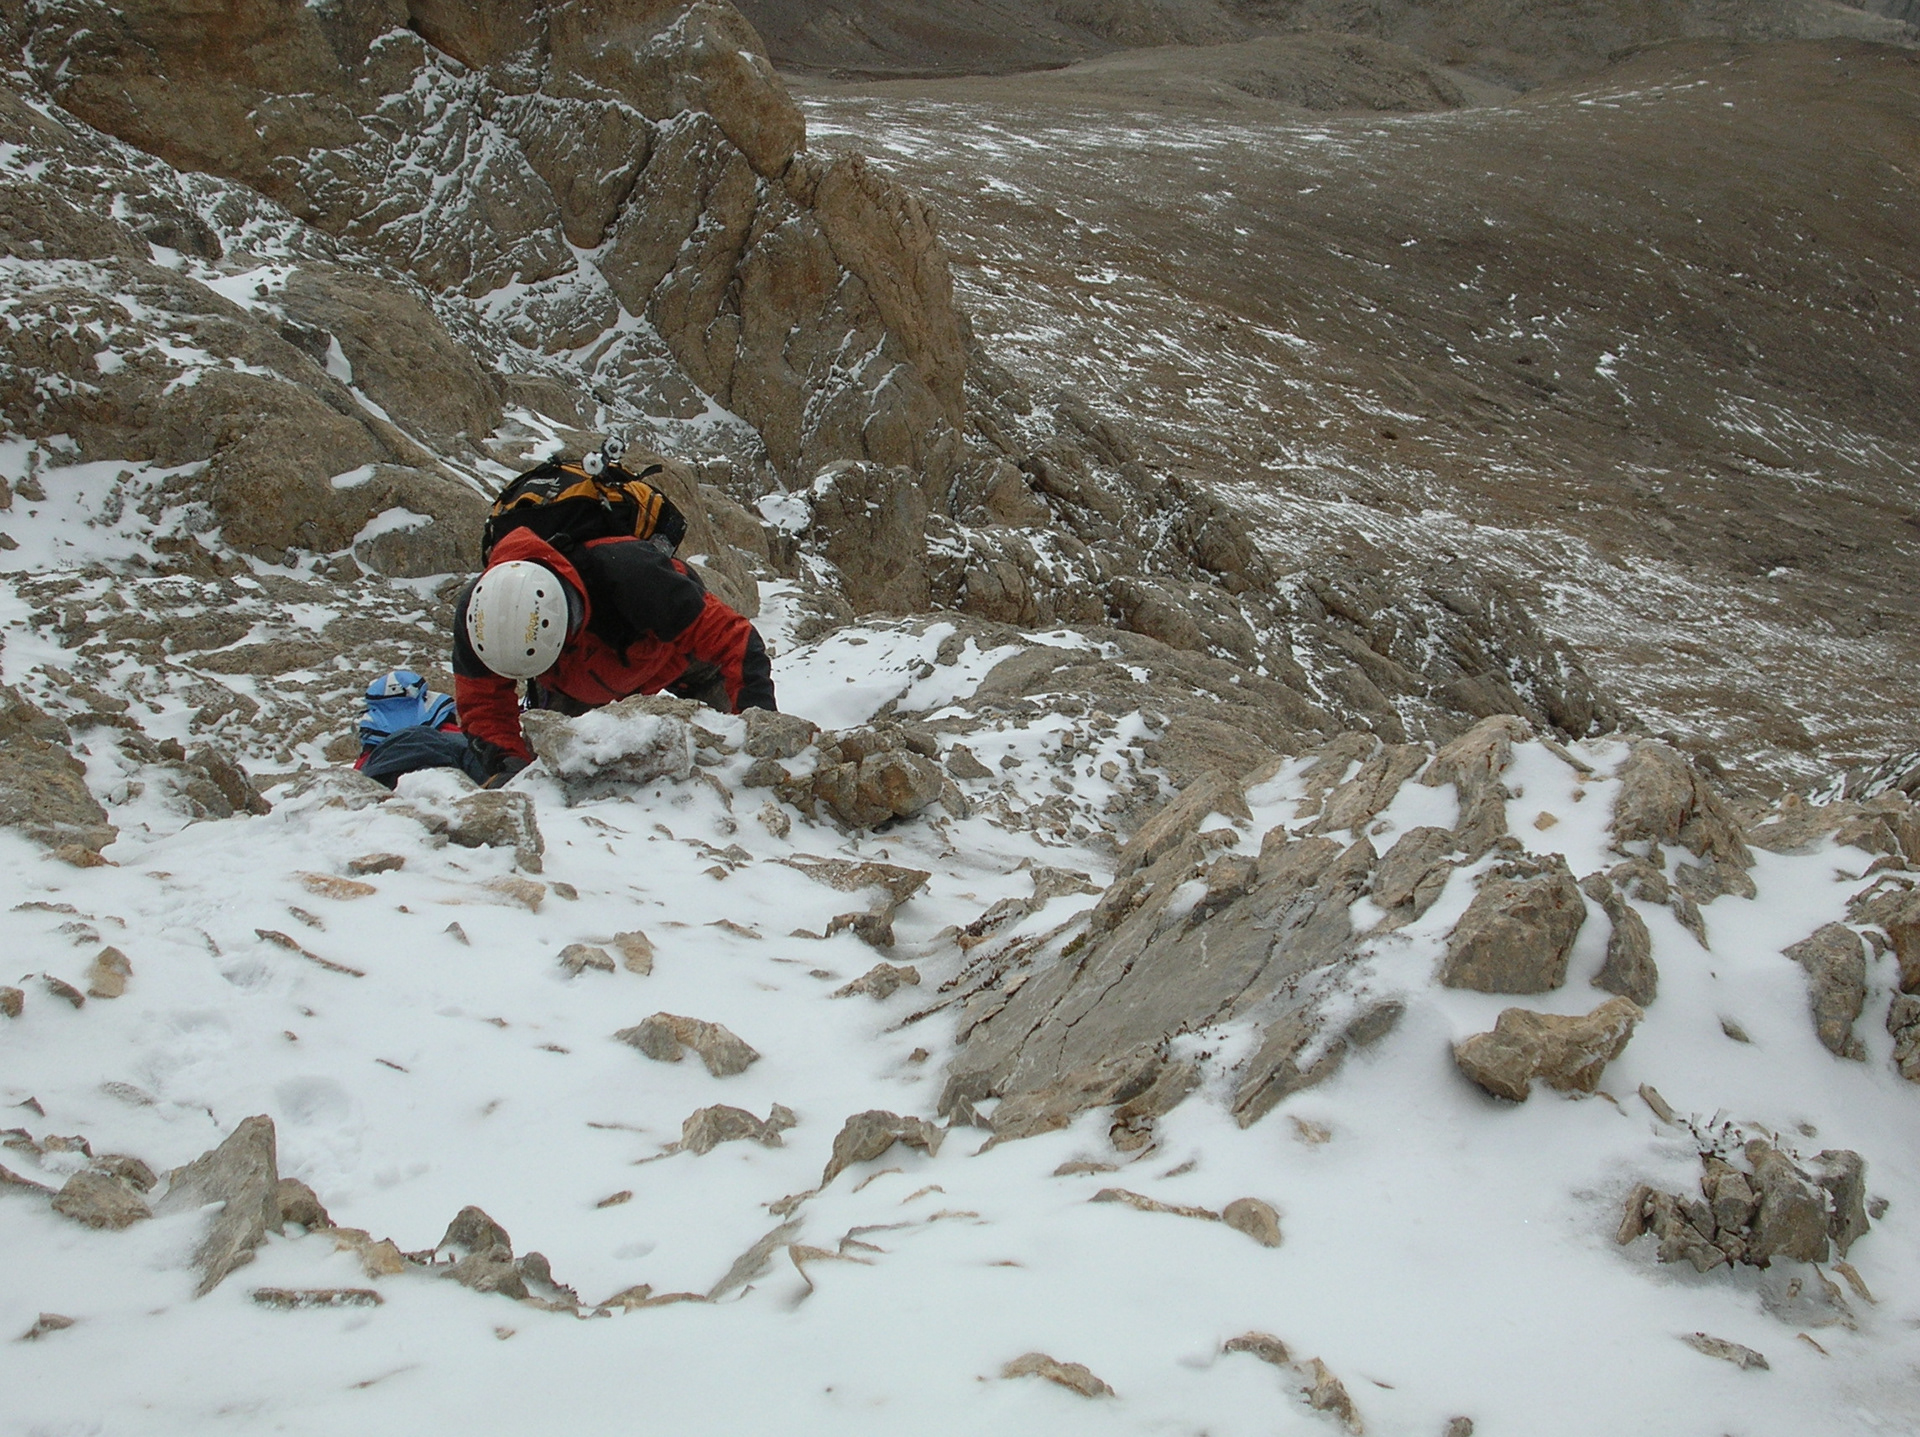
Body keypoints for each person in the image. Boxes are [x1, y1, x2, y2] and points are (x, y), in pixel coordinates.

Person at [452, 524, 776, 784]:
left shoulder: (634, 576)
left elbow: (737, 642)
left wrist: (761, 732)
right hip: (578, 685)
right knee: (559, 777)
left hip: (677, 660)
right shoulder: (481, 617)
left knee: (736, 750)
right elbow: (483, 704)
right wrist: (510, 765)